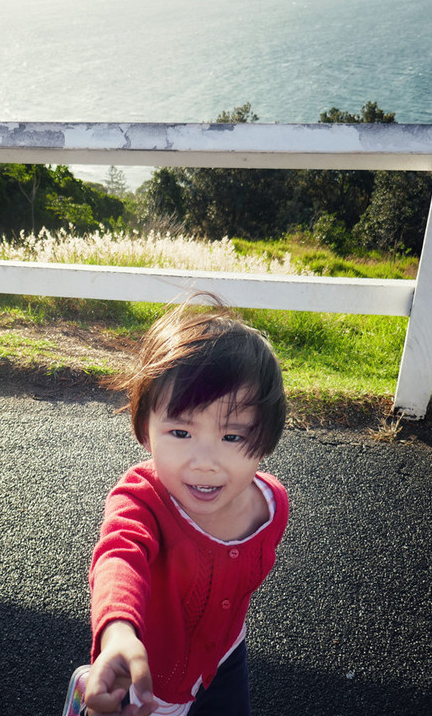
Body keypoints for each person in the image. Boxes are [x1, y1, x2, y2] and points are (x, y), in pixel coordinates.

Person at [82, 295, 290, 716]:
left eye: (232, 437)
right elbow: (119, 557)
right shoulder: (142, 500)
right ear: (145, 432)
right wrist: (119, 633)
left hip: (225, 657)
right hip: (148, 680)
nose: (205, 462)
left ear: (266, 441)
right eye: (180, 432)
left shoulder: (271, 507)